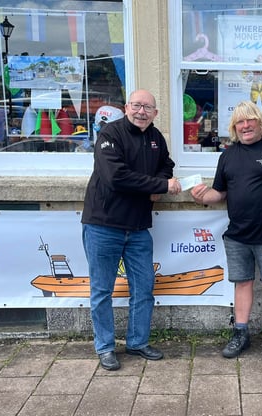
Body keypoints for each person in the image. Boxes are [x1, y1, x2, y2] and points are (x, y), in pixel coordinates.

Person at [81, 89, 182, 371]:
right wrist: (160, 186)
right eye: (137, 105)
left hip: (138, 228)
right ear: (127, 107)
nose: (141, 111)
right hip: (104, 225)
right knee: (102, 291)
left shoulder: (156, 138)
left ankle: (138, 342)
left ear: (155, 113)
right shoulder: (110, 134)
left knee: (144, 288)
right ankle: (105, 347)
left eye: (147, 107)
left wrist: (160, 181)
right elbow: (116, 177)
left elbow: (167, 165)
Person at [191, 101, 262, 363]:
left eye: (250, 120)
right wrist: (201, 196)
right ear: (234, 127)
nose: (245, 125)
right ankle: (241, 332)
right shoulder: (228, 155)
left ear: (260, 122)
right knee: (242, 284)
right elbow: (220, 193)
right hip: (237, 235)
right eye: (240, 122)